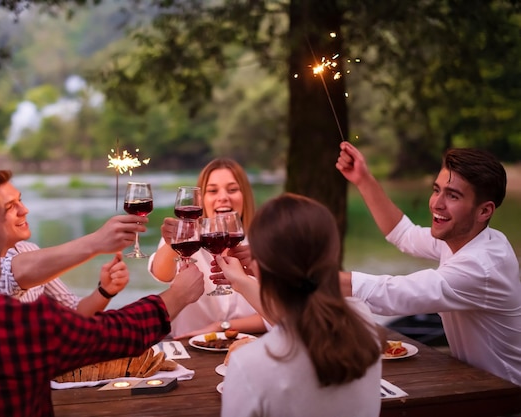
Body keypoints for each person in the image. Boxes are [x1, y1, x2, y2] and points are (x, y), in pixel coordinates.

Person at [0, 162, 204, 417]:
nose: (24, 212)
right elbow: (118, 333)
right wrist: (175, 296)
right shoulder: (22, 324)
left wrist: (104, 289)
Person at [336, 141, 521, 385]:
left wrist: (306, 275)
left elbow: (393, 293)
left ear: (484, 211)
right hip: (474, 383)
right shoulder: (469, 236)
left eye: (452, 195)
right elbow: (404, 235)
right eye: (436, 190)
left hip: (505, 396)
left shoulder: (482, 266)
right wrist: (363, 179)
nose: (436, 203)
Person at [216, 193, 384, 417]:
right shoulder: (364, 324)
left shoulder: (249, 364)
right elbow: (297, 317)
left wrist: (243, 281)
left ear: (258, 267)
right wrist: (243, 282)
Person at [0, 169, 142, 316]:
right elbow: (12, 273)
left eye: (20, 200)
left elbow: (74, 311)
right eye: (9, 207)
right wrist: (97, 241)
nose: (24, 210)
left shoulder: (28, 249)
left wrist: (105, 291)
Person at [148, 158, 267, 338]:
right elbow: (161, 273)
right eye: (212, 191)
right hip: (189, 350)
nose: (223, 197)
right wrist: (172, 242)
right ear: (201, 200)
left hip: (246, 347)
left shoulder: (263, 243)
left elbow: (280, 315)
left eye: (232, 189)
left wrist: (222, 326)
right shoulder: (187, 241)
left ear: (245, 196)